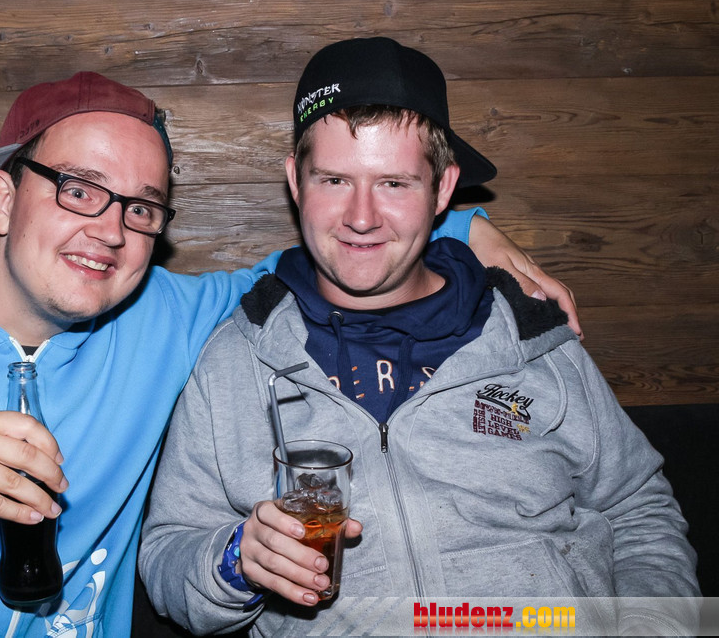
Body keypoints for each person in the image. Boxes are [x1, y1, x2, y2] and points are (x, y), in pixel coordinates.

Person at [0, 70, 571, 638]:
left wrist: (461, 227)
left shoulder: (163, 318)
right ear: (1, 200)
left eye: (141, 208)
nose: (111, 231)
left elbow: (337, 250)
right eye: (80, 190)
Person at [138, 37, 699, 636]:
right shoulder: (235, 359)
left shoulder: (531, 336)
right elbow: (170, 550)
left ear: (444, 190)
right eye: (334, 180)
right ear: (296, 183)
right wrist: (236, 559)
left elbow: (638, 509)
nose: (361, 217)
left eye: (395, 184)